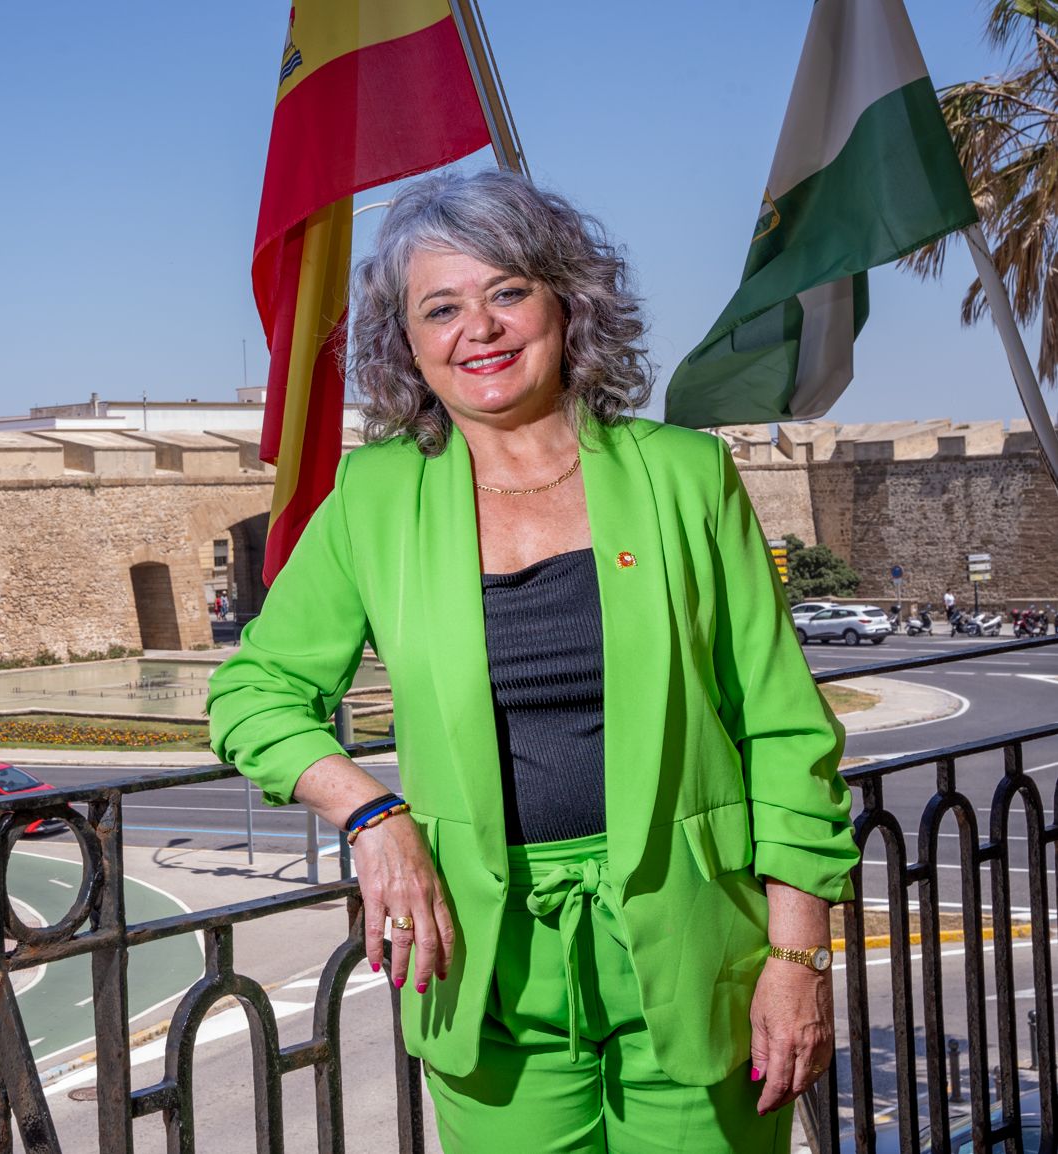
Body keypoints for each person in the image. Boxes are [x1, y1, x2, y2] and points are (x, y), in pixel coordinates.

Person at [208, 170, 857, 1151]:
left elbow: (782, 727)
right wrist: (373, 814)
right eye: (442, 307)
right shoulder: (375, 498)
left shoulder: (685, 477)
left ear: (566, 302)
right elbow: (253, 693)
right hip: (482, 965)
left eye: (507, 291)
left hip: (692, 949)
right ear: (409, 343)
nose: (481, 328)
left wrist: (798, 950)